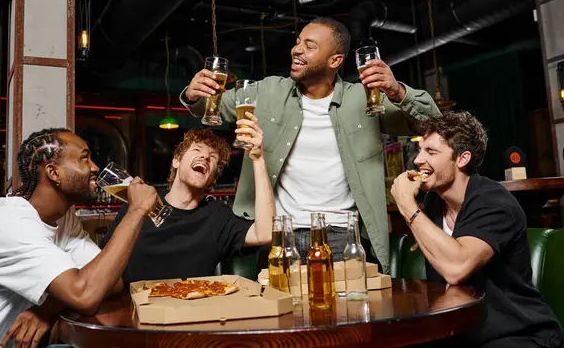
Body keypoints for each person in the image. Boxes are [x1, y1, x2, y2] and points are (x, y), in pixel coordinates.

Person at [180, 17, 440, 271]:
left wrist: (398, 92)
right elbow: (210, 108)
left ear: (335, 60)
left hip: (340, 237)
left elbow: (434, 125)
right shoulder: (267, 91)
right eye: (298, 42)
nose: (297, 49)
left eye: (310, 45)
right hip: (279, 235)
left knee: (345, 314)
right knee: (278, 313)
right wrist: (193, 94)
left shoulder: (363, 100)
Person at [0, 128, 159, 348]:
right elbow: (86, 295)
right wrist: (136, 211)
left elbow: (111, 283)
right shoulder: (12, 224)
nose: (95, 167)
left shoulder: (63, 217)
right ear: (53, 173)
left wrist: (48, 309)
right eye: (85, 159)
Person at [391, 111, 562, 348]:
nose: (418, 160)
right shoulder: (434, 202)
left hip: (516, 332)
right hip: (462, 329)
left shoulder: (494, 203)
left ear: (462, 159)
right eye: (420, 150)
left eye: (431, 152)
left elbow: (456, 267)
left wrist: (408, 207)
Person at [100, 113, 274, 285]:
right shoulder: (140, 203)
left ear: (212, 178)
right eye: (197, 150)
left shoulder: (217, 218)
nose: (205, 157)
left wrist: (258, 159)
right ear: (176, 161)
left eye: (212, 157)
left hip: (191, 308)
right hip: (132, 307)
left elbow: (265, 233)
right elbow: (102, 265)